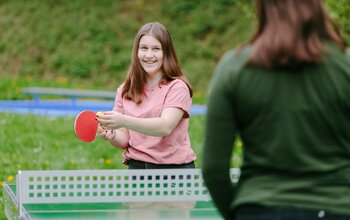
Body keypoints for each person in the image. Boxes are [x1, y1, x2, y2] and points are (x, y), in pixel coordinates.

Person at [202, 0, 350, 219]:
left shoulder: (233, 68)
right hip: (337, 208)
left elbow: (214, 169)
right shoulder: (345, 66)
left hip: (259, 208)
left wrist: (239, 214)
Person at [97, 22, 196, 169]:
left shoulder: (178, 87)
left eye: (156, 49)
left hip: (174, 172)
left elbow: (165, 126)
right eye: (144, 48)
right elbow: (124, 140)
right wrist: (111, 134)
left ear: (166, 53)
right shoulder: (125, 90)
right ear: (137, 52)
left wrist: (123, 120)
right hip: (137, 170)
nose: (149, 55)